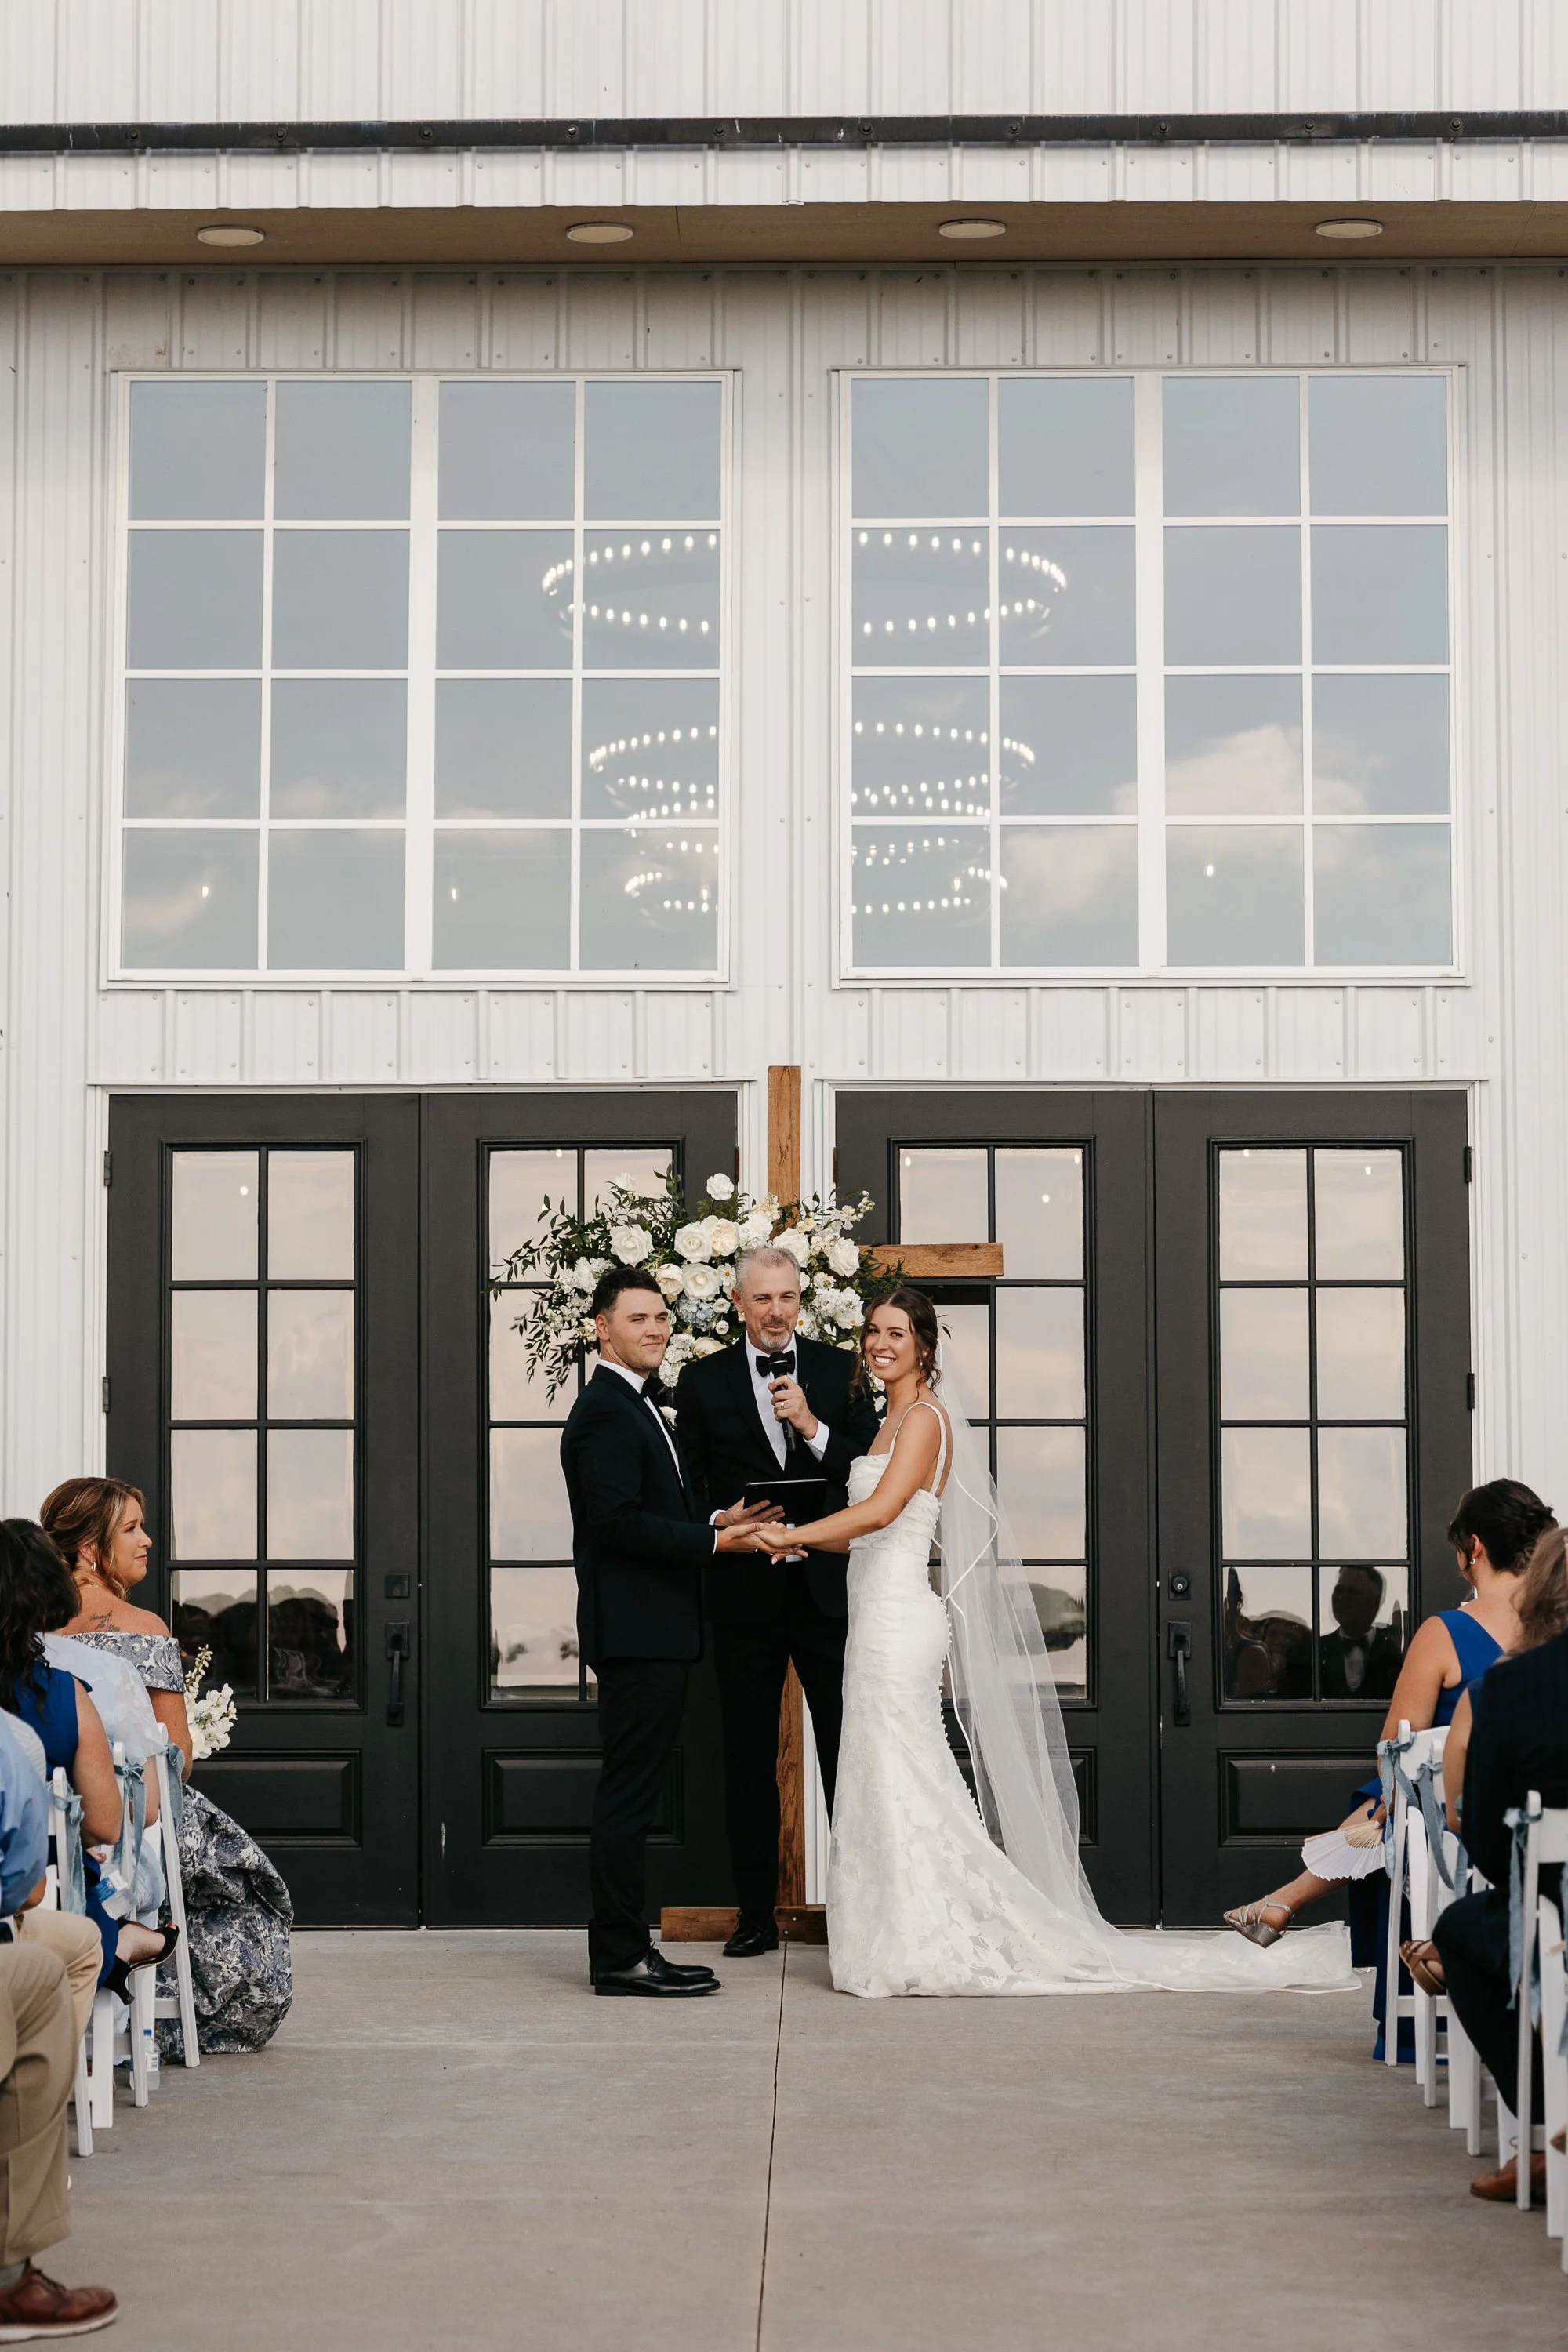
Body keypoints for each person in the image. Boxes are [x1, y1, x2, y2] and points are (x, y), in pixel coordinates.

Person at [739, 1288, 1352, 1997]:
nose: (880, 1343)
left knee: (899, 1768)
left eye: (896, 1333)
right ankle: (893, 1927)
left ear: (925, 1347)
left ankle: (922, 1933)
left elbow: (881, 1510)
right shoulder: (888, 1420)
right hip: (874, 1613)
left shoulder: (926, 1421)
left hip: (898, 1624)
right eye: (872, 1331)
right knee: (883, 1772)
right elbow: (872, 1535)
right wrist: (800, 1548)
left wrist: (795, 1534)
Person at [1222, 1479, 1555, 1951]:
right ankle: (1283, 1901)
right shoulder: (1559, 1629)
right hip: (1548, 1816)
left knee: (1390, 1793)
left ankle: (1285, 1901)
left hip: (1460, 1826)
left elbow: (1393, 1755)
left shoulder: (1446, 1631)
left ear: (1474, 1548)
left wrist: (1387, 1803)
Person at [560, 1267, 767, 1997]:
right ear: (602, 1328)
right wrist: (717, 1548)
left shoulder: (639, 1407)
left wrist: (719, 1520)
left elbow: (658, 1506)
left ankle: (625, 1948)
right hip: (637, 1634)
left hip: (658, 1633)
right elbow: (615, 1525)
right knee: (628, 1799)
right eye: (638, 1318)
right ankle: (620, 1956)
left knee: (633, 1795)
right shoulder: (604, 1414)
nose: (655, 1329)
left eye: (660, 1318)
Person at [674, 1244, 880, 1957]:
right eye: (761, 1299)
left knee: (846, 1754)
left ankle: (859, 1910)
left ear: (801, 1300)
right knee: (748, 1759)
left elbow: (867, 1472)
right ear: (737, 1302)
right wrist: (728, 1521)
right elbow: (689, 1486)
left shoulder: (837, 1371)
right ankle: (755, 1916)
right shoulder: (699, 1382)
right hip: (745, 1596)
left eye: (787, 1297)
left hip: (825, 1592)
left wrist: (809, 1425)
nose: (775, 1311)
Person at [41, 1478, 293, 2056]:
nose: (147, 1540)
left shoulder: (30, 1630)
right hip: (132, 1823)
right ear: (88, 1548)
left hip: (55, 1817)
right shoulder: (144, 1629)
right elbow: (174, 1762)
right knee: (240, 1882)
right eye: (130, 1529)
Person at [1428, 1523, 1568, 2204]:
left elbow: (1482, 1835)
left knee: (1458, 1930)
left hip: (1556, 1917)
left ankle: (1548, 2128)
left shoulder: (1509, 1690)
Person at [0, 1522, 174, 2003]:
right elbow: (104, 1825)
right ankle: (122, 1946)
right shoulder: (63, 1694)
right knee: (97, 1886)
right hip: (42, 1891)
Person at [0, 1709, 118, 2339]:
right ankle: (8, 2275)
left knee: (70, 1944)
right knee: (43, 1973)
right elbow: (25, 1890)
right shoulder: (12, 1737)